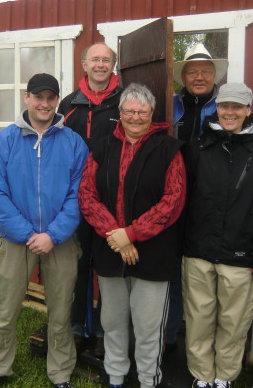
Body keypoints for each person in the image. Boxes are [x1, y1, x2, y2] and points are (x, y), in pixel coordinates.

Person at [0, 73, 89, 388]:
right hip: (17, 241)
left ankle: (60, 373)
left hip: (60, 240)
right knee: (6, 309)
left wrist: (52, 235)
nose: (44, 103)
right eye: (38, 97)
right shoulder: (4, 141)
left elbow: (78, 195)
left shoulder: (73, 143)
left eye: (50, 98)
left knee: (60, 312)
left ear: (57, 101)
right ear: (26, 98)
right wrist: (28, 235)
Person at [79, 83, 187, 388]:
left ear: (152, 114)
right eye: (129, 111)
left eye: (142, 111)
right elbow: (87, 194)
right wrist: (117, 236)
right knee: (112, 322)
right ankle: (115, 376)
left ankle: (148, 380)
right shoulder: (102, 147)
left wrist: (132, 233)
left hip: (154, 254)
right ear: (120, 113)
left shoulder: (168, 149)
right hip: (111, 250)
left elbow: (173, 200)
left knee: (148, 327)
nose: (135, 117)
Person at [181, 83, 253, 388]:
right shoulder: (198, 146)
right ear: (217, 108)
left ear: (248, 110)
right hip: (198, 251)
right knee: (198, 320)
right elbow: (183, 199)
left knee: (233, 323)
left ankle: (224, 377)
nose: (230, 113)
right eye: (225, 106)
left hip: (240, 255)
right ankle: (202, 375)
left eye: (237, 107)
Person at [58, 42, 122, 357]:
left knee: (109, 268)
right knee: (79, 265)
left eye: (105, 59)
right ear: (84, 64)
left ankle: (103, 333)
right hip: (75, 200)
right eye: (94, 59)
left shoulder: (125, 101)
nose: (99, 64)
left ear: (113, 64)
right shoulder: (69, 104)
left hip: (113, 201)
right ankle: (77, 328)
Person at [166, 42, 229, 352]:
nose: (200, 77)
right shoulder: (171, 106)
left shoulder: (226, 108)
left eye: (206, 71)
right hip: (173, 204)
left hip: (211, 206)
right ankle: (170, 339)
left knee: (205, 281)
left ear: (215, 74)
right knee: (174, 273)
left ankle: (205, 346)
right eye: (193, 72)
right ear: (183, 76)